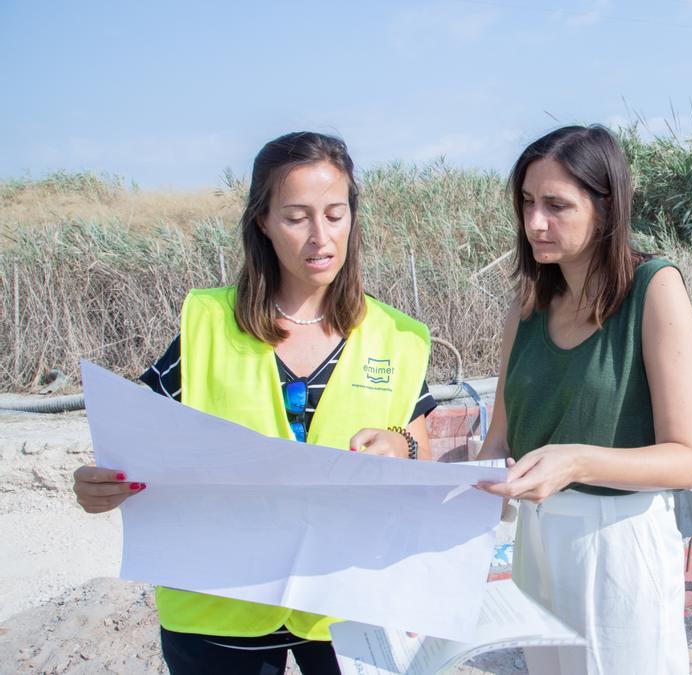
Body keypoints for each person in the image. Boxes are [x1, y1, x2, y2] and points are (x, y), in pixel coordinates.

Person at [72, 131, 434, 675]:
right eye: (296, 217)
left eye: (335, 215)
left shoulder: (399, 337)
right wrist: (98, 486)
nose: (320, 237)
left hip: (348, 602)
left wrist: (401, 445)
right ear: (262, 221)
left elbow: (421, 449)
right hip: (219, 603)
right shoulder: (206, 327)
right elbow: (134, 445)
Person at [476, 125, 692, 674]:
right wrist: (410, 462)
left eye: (557, 205)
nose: (535, 222)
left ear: (606, 208)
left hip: (619, 546)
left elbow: (688, 458)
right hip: (537, 547)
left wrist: (576, 459)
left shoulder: (654, 289)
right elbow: (498, 443)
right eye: (528, 203)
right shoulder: (527, 308)